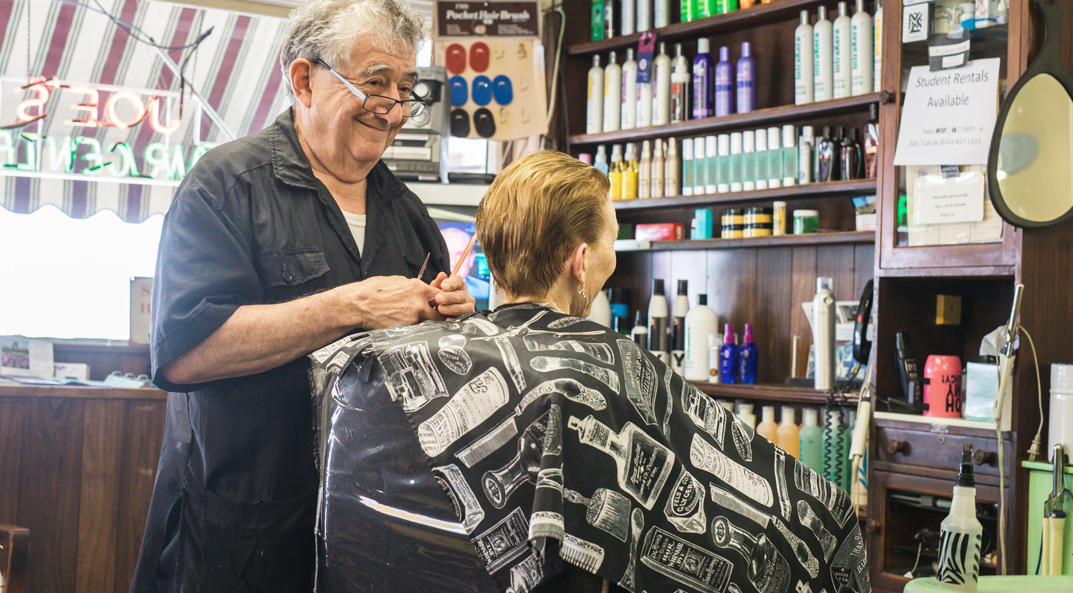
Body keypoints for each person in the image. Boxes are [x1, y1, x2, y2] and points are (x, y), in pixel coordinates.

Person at [313, 151, 871, 593]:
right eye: (609, 244)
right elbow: (776, 519)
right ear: (580, 261)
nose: (613, 260)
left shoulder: (389, 355)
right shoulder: (604, 372)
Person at [130, 0, 476, 593]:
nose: (393, 110)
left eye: (405, 91)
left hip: (372, 541)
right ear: (303, 80)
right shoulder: (226, 186)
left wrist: (454, 320)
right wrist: (352, 305)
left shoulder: (409, 214)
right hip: (238, 543)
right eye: (374, 84)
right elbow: (184, 353)